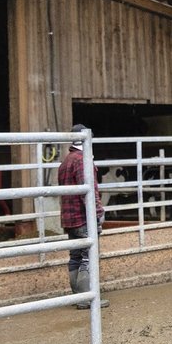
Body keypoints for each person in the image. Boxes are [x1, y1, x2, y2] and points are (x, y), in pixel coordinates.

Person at [58, 124, 108, 310]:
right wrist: (98, 213)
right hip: (83, 217)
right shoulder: (82, 160)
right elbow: (88, 191)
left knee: (75, 256)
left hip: (69, 218)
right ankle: (87, 298)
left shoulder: (66, 161)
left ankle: (78, 296)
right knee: (88, 256)